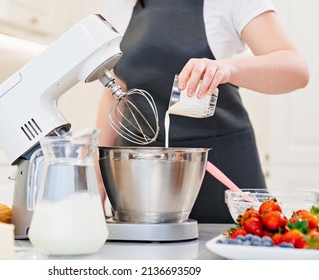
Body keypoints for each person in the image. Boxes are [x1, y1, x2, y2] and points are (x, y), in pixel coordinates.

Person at [96, 0, 309, 223]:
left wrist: (227, 69)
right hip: (139, 176)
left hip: (220, 168)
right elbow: (115, 90)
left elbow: (295, 68)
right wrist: (98, 180)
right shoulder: (120, 7)